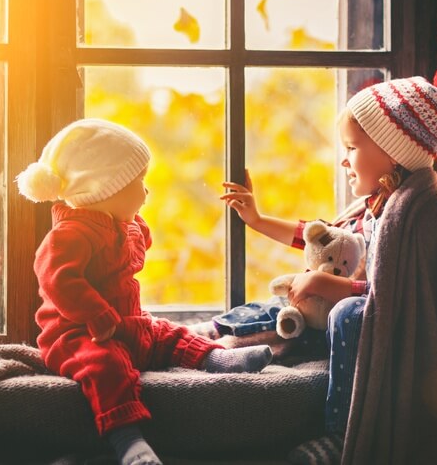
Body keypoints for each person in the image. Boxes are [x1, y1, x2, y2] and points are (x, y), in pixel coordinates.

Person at [220, 63, 437, 465]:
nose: (344, 161)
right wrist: (256, 221)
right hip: (393, 307)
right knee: (301, 299)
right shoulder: (377, 203)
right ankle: (219, 337)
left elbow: (395, 295)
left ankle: (339, 435)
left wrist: (329, 287)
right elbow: (323, 237)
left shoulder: (414, 209)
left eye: (352, 148)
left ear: (391, 151)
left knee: (346, 315)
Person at [17, 118, 273, 465]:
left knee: (168, 334)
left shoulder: (121, 223)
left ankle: (218, 359)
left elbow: (134, 248)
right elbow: (56, 279)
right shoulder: (71, 234)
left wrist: (134, 231)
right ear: (103, 191)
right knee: (107, 368)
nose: (146, 191)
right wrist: (98, 316)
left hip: (128, 324)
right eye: (138, 182)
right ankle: (128, 441)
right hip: (80, 334)